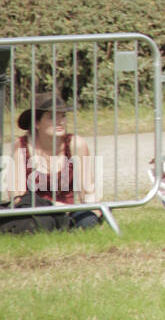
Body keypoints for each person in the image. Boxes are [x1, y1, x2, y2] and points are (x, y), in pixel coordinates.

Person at [3, 92, 100, 230]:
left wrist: (95, 211)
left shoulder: (75, 144)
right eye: (52, 117)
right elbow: (17, 196)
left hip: (68, 213)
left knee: (88, 220)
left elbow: (88, 193)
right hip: (35, 213)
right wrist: (51, 206)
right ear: (36, 123)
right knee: (31, 224)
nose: (60, 121)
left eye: (63, 116)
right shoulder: (21, 145)